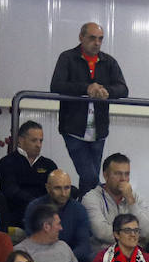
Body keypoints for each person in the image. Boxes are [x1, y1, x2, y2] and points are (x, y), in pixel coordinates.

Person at [50, 22, 128, 197]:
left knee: (88, 179)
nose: (97, 42)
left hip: (99, 131)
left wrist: (108, 92)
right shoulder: (67, 58)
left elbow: (123, 88)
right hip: (73, 128)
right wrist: (86, 88)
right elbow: (56, 85)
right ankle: (93, 211)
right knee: (90, 176)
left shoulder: (109, 61)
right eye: (92, 38)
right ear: (81, 37)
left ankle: (84, 214)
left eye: (100, 39)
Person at [83, 152, 149, 253]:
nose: (123, 179)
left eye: (127, 174)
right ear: (106, 175)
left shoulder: (135, 197)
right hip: (106, 253)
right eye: (118, 174)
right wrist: (134, 236)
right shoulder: (91, 198)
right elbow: (101, 232)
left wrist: (131, 202)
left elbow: (147, 231)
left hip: (135, 253)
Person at [23, 169, 92, 262]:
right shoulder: (34, 208)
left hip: (71, 261)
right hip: (40, 261)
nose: (63, 193)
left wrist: (63, 258)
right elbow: (32, 241)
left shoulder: (79, 209)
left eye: (67, 188)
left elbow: (84, 245)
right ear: (48, 188)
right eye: (58, 188)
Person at [0, 121, 57, 228]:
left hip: (43, 221)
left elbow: (55, 190)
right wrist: (37, 203)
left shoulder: (49, 165)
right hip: (16, 220)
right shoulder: (7, 162)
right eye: (34, 140)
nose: (38, 145)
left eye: (41, 141)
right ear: (20, 140)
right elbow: (10, 190)